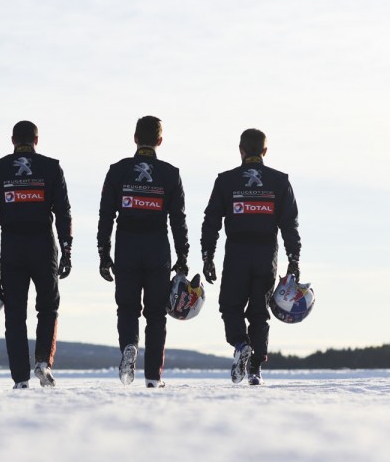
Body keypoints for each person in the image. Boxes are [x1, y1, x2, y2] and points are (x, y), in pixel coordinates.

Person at [200, 128, 301, 386]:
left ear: (241, 150)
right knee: (259, 311)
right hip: (267, 254)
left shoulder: (226, 180)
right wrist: (294, 259)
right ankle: (255, 369)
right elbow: (289, 224)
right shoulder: (279, 181)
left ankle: (240, 343)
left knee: (230, 305)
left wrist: (207, 255)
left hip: (237, 252)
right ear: (265, 151)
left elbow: (211, 221)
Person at [0, 121, 72, 388]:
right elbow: (63, 212)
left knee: (15, 314)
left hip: (12, 247)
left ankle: (20, 378)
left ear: (12, 140)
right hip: (44, 245)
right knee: (48, 307)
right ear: (36, 141)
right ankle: (43, 363)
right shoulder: (51, 167)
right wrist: (67, 249)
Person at [97, 116, 189, 388]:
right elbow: (178, 220)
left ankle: (129, 345)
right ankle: (153, 377)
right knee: (156, 314)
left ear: (135, 138)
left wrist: (103, 252)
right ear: (160, 140)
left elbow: (105, 215)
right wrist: (183, 256)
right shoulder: (170, 174)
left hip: (126, 245)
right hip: (158, 247)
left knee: (127, 308)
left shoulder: (118, 170)